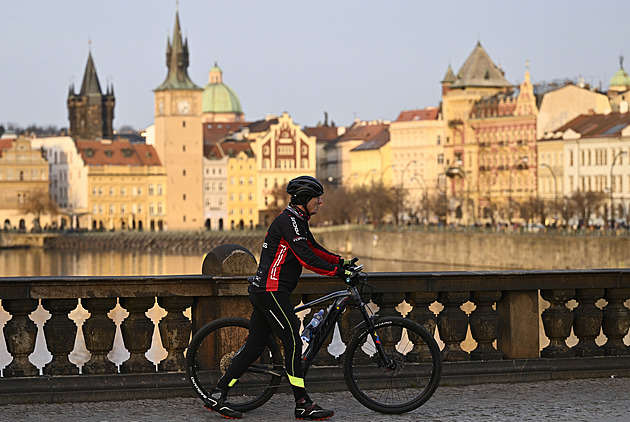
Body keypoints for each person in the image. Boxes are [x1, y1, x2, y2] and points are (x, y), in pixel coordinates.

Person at [203, 175, 354, 420]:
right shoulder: (288, 222)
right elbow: (307, 258)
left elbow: (314, 248)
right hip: (270, 291)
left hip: (268, 291)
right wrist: (340, 273)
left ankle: (218, 393)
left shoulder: (297, 220)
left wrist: (342, 262)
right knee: (293, 339)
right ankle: (302, 403)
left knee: (254, 347)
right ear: (305, 199)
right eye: (318, 198)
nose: (321, 202)